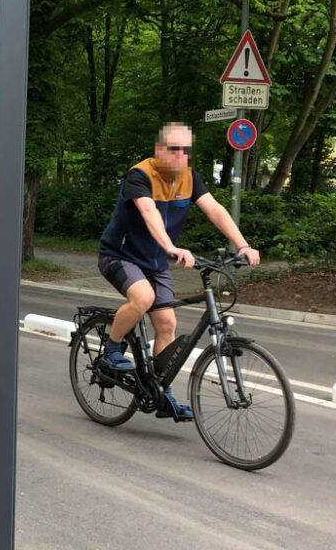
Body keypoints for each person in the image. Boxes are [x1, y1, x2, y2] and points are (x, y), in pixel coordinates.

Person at [96, 122, 260, 420]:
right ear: (159, 150)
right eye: (174, 149)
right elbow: (149, 212)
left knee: (167, 324)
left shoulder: (189, 178)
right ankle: (112, 349)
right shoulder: (140, 175)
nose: (181, 156)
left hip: (155, 261)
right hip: (119, 255)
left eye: (186, 150)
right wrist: (171, 247)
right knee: (143, 297)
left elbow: (215, 209)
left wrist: (243, 245)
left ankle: (161, 393)